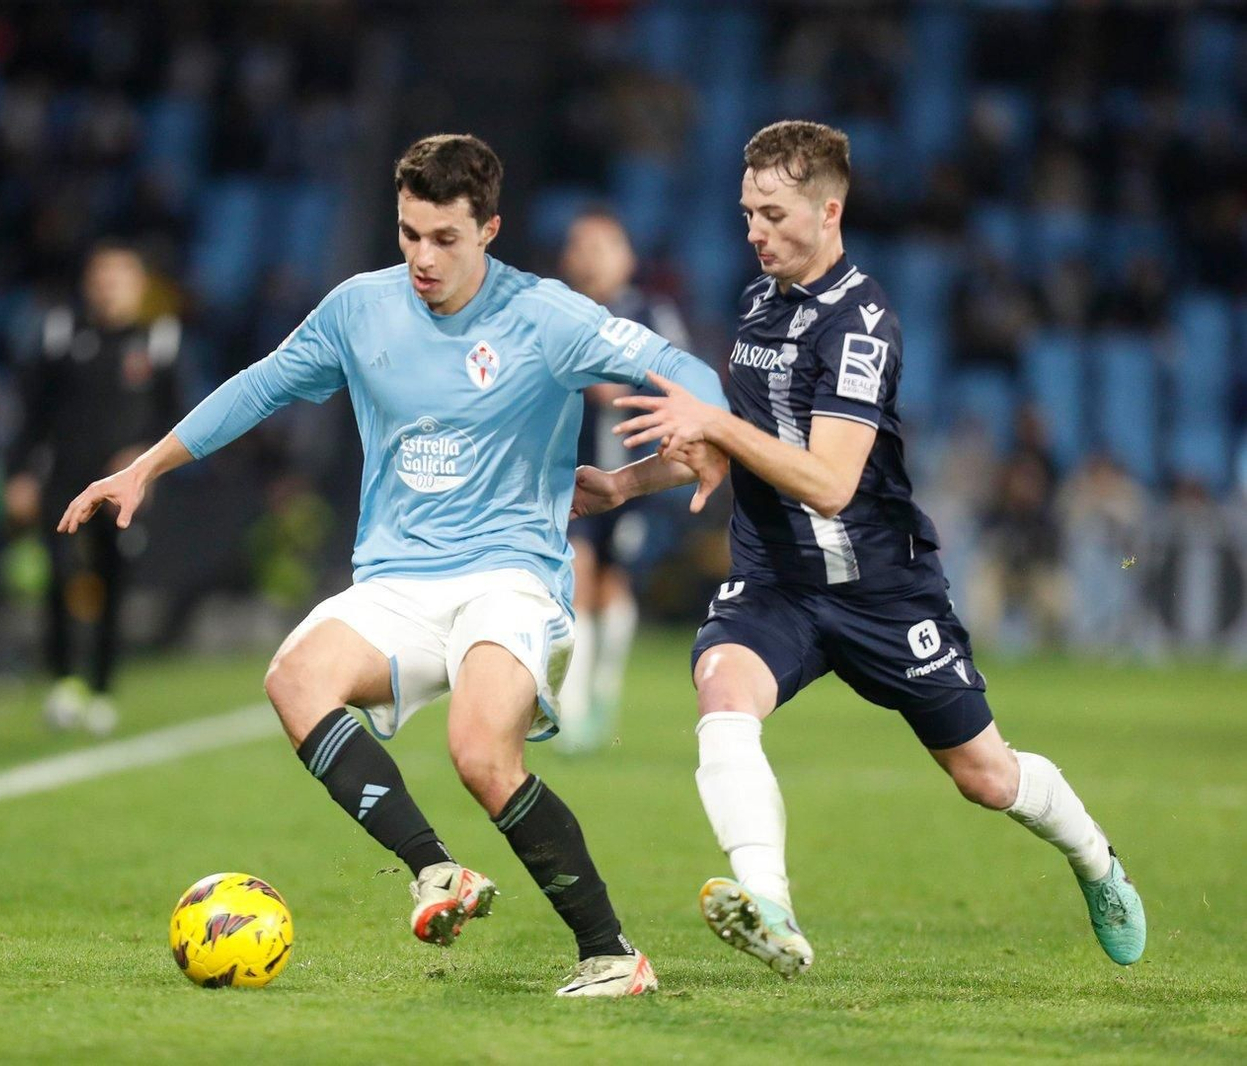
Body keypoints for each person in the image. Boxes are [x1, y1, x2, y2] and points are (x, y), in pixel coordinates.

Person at [58, 134, 728, 996]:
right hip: (397, 582)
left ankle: (610, 953)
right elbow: (259, 385)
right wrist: (144, 467)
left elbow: (688, 372)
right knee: (295, 679)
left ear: (490, 228)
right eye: (409, 233)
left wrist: (663, 456)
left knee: (480, 753)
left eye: (445, 238)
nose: (422, 257)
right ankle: (438, 871)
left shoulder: (548, 317)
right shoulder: (357, 309)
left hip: (508, 575)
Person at [578, 120, 1145, 977]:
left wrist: (716, 421)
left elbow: (831, 481)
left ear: (828, 210)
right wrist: (624, 485)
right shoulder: (759, 306)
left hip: (883, 590)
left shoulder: (862, 322)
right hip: (778, 583)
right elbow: (734, 444)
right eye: (745, 214)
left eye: (770, 214)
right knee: (722, 692)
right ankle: (768, 904)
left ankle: (1098, 862)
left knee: (986, 777)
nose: (753, 232)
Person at [6, 241, 186, 735]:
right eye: (100, 276)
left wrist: (145, 463)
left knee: (113, 581)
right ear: (88, 283)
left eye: (119, 277)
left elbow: (179, 419)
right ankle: (64, 682)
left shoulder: (159, 340)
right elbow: (31, 412)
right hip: (64, 479)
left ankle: (103, 688)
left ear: (138, 285)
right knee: (60, 578)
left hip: (124, 487)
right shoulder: (61, 335)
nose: (108, 287)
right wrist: (19, 473)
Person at [555, 207, 694, 753]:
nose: (584, 257)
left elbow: (681, 377)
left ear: (624, 257)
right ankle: (572, 708)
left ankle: (604, 689)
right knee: (577, 573)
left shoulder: (649, 313)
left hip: (632, 474)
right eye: (577, 246)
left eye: (597, 246)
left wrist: (617, 390)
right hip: (571, 471)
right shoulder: (561, 314)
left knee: (614, 585)